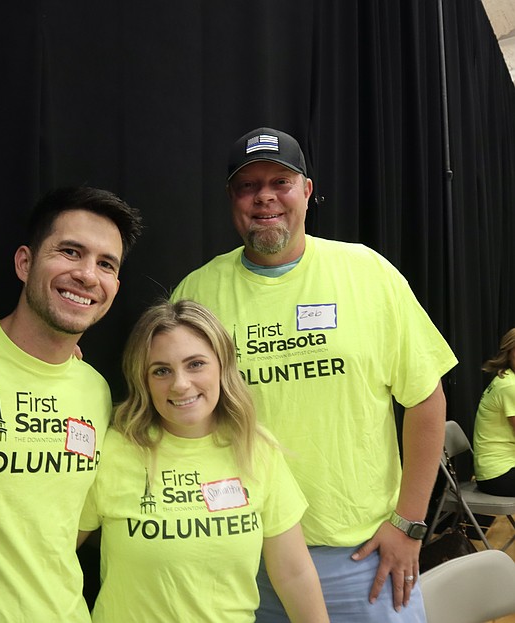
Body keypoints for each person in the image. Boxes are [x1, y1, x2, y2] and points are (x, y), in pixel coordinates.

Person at [172, 126, 458, 621]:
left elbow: (425, 399)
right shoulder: (199, 292)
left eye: (280, 182)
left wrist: (409, 523)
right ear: (231, 199)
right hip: (243, 557)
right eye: (248, 185)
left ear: (306, 191)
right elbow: (168, 405)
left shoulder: (367, 272)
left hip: (361, 559)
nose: (265, 197)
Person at [0, 186, 142, 622]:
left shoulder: (96, 391)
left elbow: (61, 527)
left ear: (115, 285)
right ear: (25, 262)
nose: (87, 275)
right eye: (70, 252)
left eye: (106, 264)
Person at [77, 299, 329, 622]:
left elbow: (293, 574)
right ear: (144, 380)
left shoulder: (256, 449)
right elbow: (54, 553)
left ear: (222, 366)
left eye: (195, 364)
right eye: (162, 371)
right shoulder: (113, 450)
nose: (180, 384)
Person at [473, 328, 515, 496]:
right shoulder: (509, 386)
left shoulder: (507, 378)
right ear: (509, 352)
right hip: (499, 475)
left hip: (496, 470)